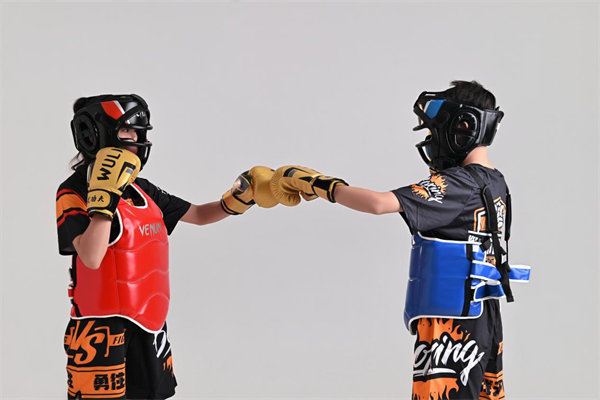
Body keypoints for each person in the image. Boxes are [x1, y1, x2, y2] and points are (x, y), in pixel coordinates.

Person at [268, 81, 530, 400]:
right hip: (485, 316)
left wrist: (316, 184)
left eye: (434, 131)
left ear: (464, 126)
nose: (431, 141)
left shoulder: (457, 184)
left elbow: (379, 203)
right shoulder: (496, 181)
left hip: (452, 322)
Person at [56, 94, 276, 399]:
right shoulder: (73, 191)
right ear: (95, 134)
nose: (135, 139)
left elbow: (198, 215)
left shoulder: (142, 189)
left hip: (149, 322)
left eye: (137, 132)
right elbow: (92, 257)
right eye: (126, 130)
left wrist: (243, 198)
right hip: (101, 329)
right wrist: (104, 199)